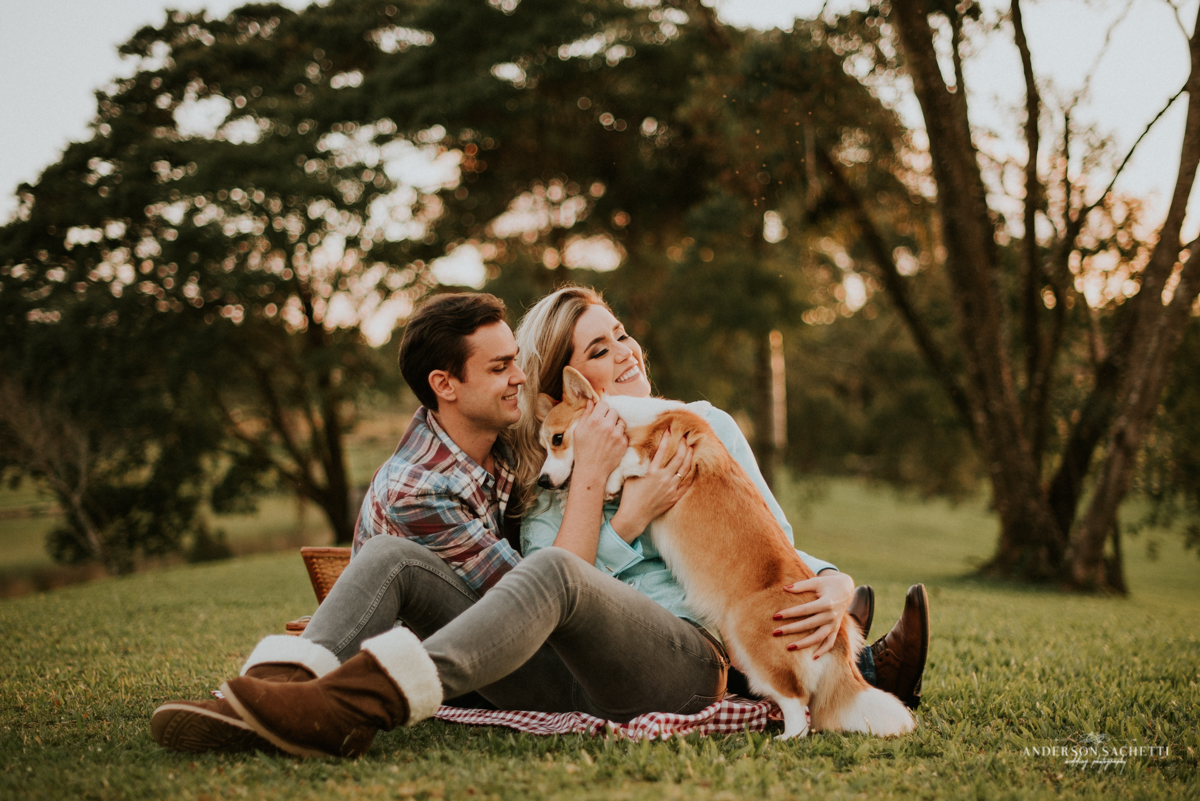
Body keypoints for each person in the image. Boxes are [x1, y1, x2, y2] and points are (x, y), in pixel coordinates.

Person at [151, 289, 927, 759]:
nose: (626, 351)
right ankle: (269, 696)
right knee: (397, 553)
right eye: (600, 348)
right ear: (571, 388)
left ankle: (354, 701)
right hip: (565, 671)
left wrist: (833, 581)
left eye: (621, 333)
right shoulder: (543, 482)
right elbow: (556, 596)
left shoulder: (702, 425)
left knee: (550, 569)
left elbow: (766, 537)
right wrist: (618, 503)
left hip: (684, 656)